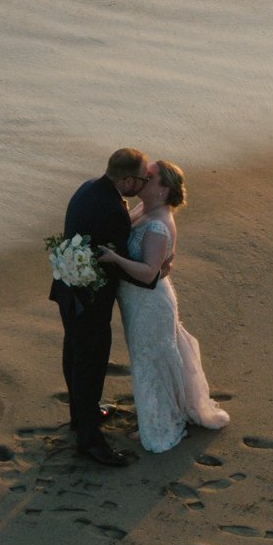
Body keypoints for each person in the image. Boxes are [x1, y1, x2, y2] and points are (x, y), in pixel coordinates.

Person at [96, 159, 230, 454]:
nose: (142, 178)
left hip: (149, 304)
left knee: (150, 361)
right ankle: (172, 407)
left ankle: (158, 424)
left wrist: (114, 259)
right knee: (153, 356)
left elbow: (148, 273)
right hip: (136, 301)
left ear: (163, 189)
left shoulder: (158, 224)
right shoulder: (143, 209)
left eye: (149, 176)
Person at [53, 147, 154, 466]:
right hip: (89, 300)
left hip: (66, 288)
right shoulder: (112, 209)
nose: (144, 183)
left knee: (74, 351)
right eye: (142, 179)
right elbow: (116, 261)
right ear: (127, 180)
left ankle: (81, 416)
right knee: (91, 363)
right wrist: (154, 275)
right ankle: (90, 440)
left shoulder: (87, 188)